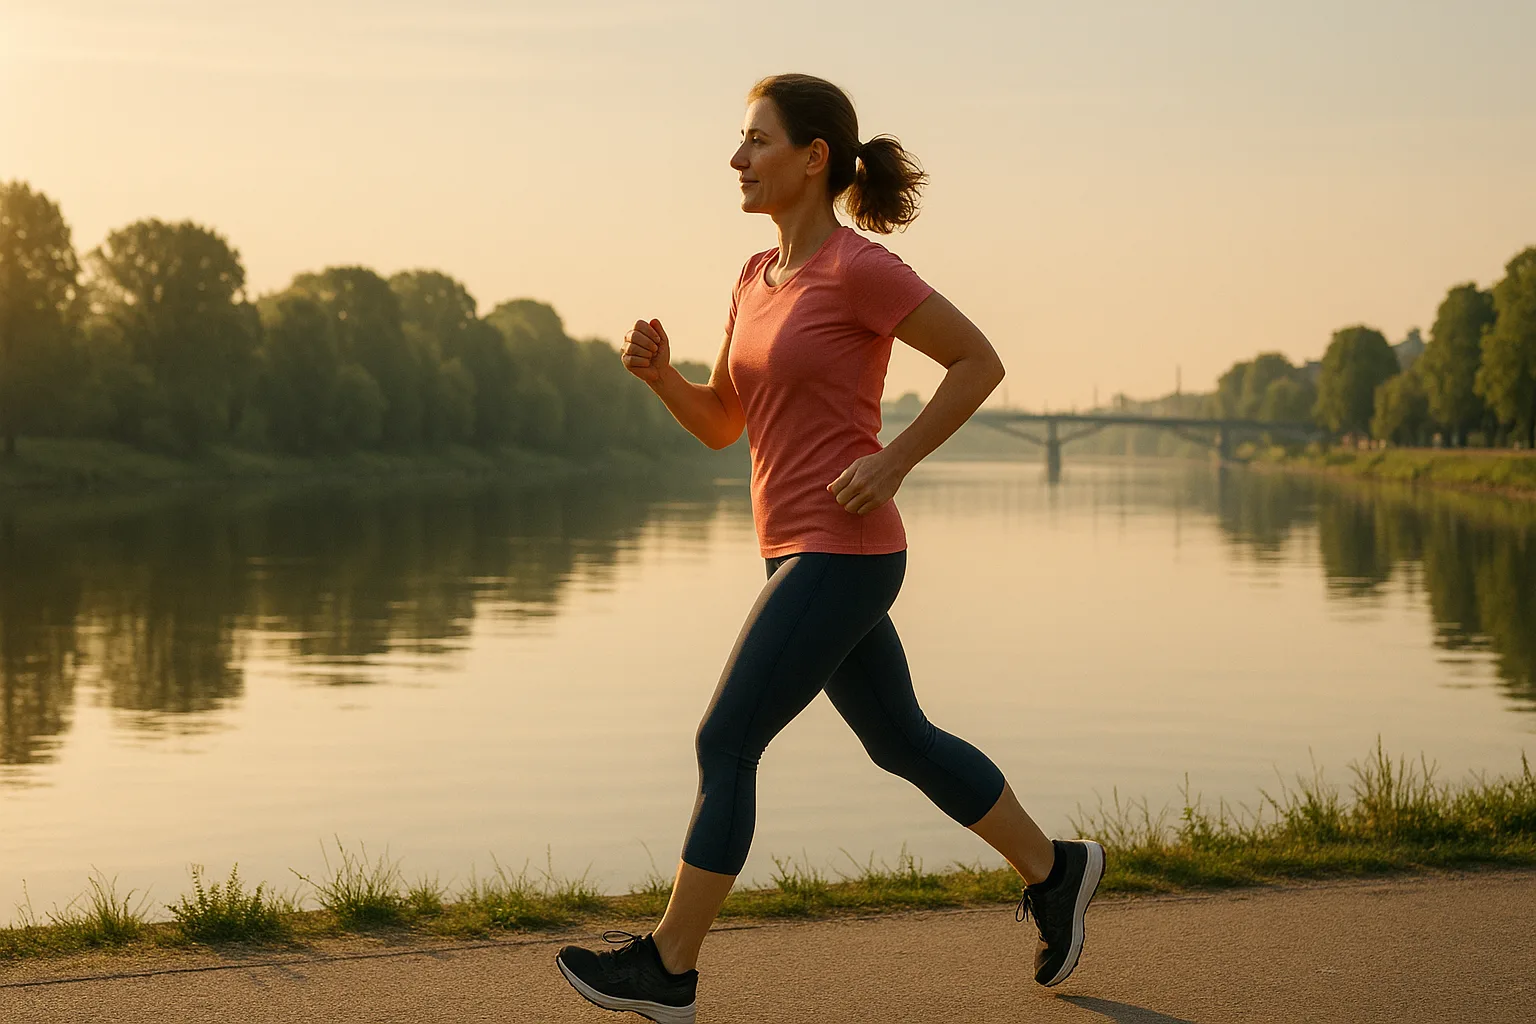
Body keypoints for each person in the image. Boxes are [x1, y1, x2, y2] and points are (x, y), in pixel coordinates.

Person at [555, 73, 1104, 1024]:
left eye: (756, 142)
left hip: (845, 549)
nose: (737, 159)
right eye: (740, 142)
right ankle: (1058, 871)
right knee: (902, 742)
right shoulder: (750, 278)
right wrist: (660, 378)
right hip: (792, 550)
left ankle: (669, 968)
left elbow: (980, 362)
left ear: (813, 159)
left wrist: (893, 461)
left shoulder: (861, 269)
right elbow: (725, 424)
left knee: (726, 741)